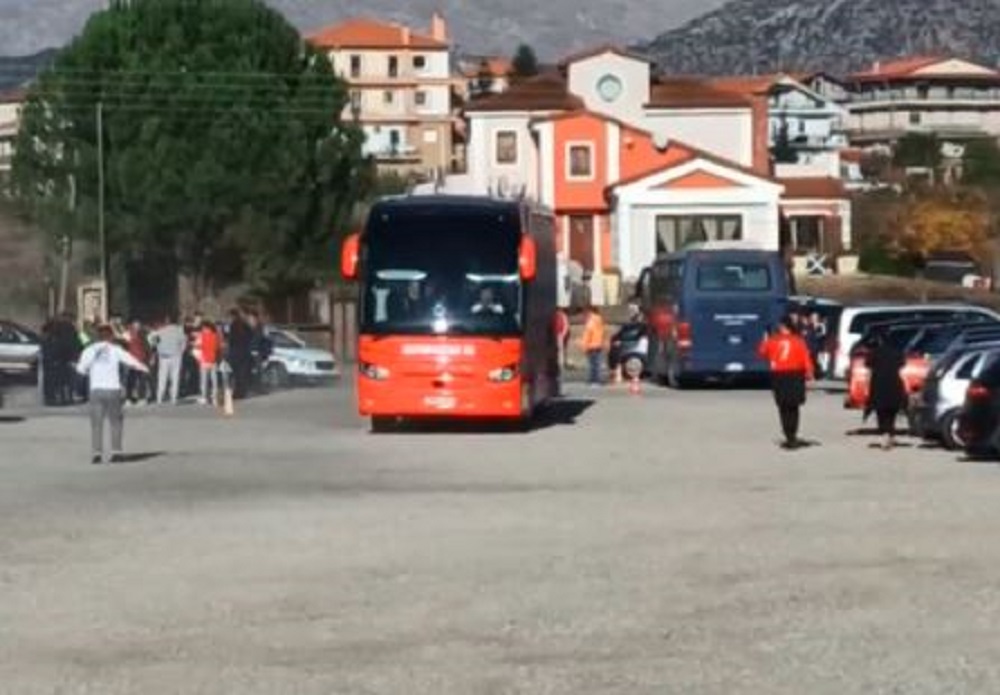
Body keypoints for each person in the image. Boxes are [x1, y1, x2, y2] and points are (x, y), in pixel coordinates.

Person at [76, 324, 150, 465]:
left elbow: (81, 369)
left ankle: (97, 454)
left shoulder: (89, 350)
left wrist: (87, 372)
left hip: (96, 389)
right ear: (110, 336)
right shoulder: (115, 350)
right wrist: (144, 368)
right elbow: (130, 360)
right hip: (113, 388)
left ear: (98, 336)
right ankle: (116, 452)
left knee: (96, 424)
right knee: (115, 422)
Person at [758, 315, 815, 450]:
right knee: (794, 407)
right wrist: (809, 373)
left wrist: (765, 340)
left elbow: (762, 353)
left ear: (782, 326)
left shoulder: (773, 340)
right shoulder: (798, 340)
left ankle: (788, 435)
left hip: (779, 375)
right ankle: (793, 434)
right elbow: (806, 358)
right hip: (795, 374)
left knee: (783, 406)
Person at [866, 330, 908, 450]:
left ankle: (885, 436)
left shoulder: (876, 352)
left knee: (881, 412)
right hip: (894, 383)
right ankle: (890, 434)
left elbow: (868, 364)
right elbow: (902, 364)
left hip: (878, 384)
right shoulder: (898, 352)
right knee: (892, 412)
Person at [151, 315, 186, 405]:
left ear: (166, 322)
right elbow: (184, 343)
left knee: (162, 377)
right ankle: (174, 398)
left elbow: (153, 342)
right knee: (175, 377)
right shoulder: (179, 331)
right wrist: (180, 352)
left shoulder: (160, 331)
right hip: (176, 356)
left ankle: (160, 397)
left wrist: (158, 350)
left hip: (163, 357)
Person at [227, 308, 253, 400]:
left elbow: (231, 340)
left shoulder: (233, 325)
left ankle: (237, 393)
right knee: (242, 373)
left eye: (229, 317)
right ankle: (242, 392)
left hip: (236, 353)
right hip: (244, 352)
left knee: (237, 374)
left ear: (232, 316)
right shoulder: (245, 324)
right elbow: (251, 335)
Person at [125, 320, 152, 405]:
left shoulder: (128, 335)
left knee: (131, 380)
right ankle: (141, 398)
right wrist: (149, 357)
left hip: (132, 360)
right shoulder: (142, 335)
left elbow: (124, 346)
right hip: (140, 360)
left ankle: (128, 399)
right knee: (141, 380)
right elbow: (147, 347)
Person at [580, 305, 605, 386]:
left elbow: (587, 335)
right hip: (598, 345)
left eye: (585, 313)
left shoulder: (591, 322)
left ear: (590, 312)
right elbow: (602, 334)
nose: (584, 315)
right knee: (597, 364)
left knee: (592, 365)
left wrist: (584, 346)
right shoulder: (600, 321)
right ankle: (597, 380)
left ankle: (594, 380)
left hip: (591, 346)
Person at [198, 319, 221, 406]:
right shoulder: (215, 335)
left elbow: (200, 346)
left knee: (204, 380)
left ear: (206, 327)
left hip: (204, 360)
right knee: (214, 380)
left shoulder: (202, 336)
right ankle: (215, 398)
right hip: (213, 360)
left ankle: (204, 397)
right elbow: (218, 347)